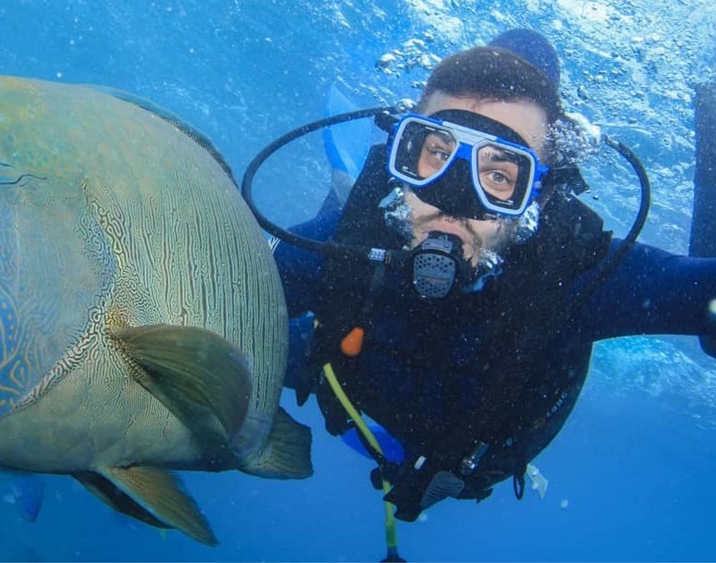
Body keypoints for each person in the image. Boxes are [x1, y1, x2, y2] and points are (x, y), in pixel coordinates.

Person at [253, 29, 716, 523]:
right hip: (346, 385)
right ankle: (346, 187)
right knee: (266, 335)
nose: (453, 202)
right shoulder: (346, 240)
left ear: (537, 195)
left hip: (472, 457)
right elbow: (225, 287)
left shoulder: (573, 272)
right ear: (403, 154)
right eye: (436, 153)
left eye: (498, 176)